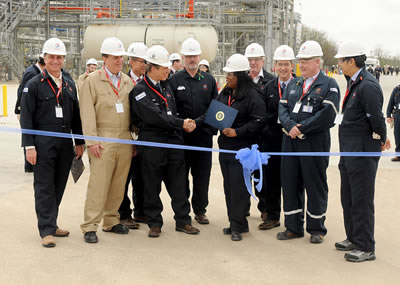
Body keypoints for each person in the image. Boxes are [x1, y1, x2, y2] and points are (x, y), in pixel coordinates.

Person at [20, 38, 85, 247]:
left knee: (58, 185)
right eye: (51, 57)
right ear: (44, 58)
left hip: (65, 142)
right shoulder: (34, 85)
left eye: (59, 57)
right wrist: (29, 146)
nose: (55, 61)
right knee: (44, 186)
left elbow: (76, 116)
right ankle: (46, 230)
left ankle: (52, 222)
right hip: (43, 143)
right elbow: (26, 118)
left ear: (64, 59)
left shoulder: (69, 84)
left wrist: (79, 141)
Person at [130, 45, 200, 238]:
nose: (168, 71)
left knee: (179, 184)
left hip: (173, 141)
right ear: (152, 68)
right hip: (153, 143)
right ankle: (154, 222)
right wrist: (181, 123)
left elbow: (170, 111)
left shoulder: (166, 86)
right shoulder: (140, 91)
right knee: (151, 185)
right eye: (164, 68)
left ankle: (183, 221)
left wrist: (180, 124)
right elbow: (155, 116)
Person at [277, 40, 340, 244]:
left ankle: (316, 228)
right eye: (300, 61)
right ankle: (293, 227)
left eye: (305, 61)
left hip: (313, 143)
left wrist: (301, 128)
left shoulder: (329, 85)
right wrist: (290, 127)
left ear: (317, 62)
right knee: (290, 182)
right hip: (290, 142)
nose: (301, 65)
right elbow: (282, 109)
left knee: (315, 184)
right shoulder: (294, 84)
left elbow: (327, 114)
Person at [335, 41, 390, 262]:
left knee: (361, 199)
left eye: (341, 60)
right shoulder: (354, 81)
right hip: (349, 152)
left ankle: (366, 246)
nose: (338, 64)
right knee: (347, 197)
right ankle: (353, 237)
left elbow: (376, 118)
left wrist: (381, 139)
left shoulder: (367, 85)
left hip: (362, 152)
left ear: (352, 61)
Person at [79, 37, 135, 243]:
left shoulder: (128, 81)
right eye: (115, 57)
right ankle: (90, 225)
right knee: (98, 184)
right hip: (102, 138)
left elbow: (133, 114)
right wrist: (91, 141)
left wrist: (134, 139)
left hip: (125, 139)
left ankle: (111, 220)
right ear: (104, 58)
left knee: (118, 184)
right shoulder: (92, 80)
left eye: (121, 57)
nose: (119, 61)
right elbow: (86, 113)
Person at [169, 38, 218, 224]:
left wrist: (198, 123)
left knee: (202, 176)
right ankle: (183, 213)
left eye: (194, 55)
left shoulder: (209, 80)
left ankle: (200, 210)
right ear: (182, 58)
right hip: (181, 138)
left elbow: (215, 108)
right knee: (181, 178)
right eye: (188, 56)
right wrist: (182, 124)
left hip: (202, 138)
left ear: (200, 57)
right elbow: (170, 108)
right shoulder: (174, 81)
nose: (192, 59)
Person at [218, 54, 265, 241]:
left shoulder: (253, 95)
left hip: (242, 150)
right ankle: (236, 223)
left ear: (241, 76)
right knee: (229, 187)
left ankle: (238, 225)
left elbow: (259, 121)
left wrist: (238, 132)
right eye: (226, 74)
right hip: (225, 148)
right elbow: (216, 111)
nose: (227, 77)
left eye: (230, 74)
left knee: (239, 188)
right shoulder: (226, 92)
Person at [258, 45, 296, 231]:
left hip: (292, 140)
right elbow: (262, 113)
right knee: (271, 181)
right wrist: (266, 131)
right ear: (274, 66)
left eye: (286, 64)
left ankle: (294, 220)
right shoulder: (268, 87)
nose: (283, 68)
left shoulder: (300, 86)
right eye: (280, 64)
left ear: (292, 66)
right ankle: (272, 216)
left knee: (292, 181)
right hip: (271, 140)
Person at [118, 42, 148, 229]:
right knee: (123, 178)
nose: (144, 65)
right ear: (131, 61)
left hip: (143, 136)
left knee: (142, 177)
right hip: (125, 136)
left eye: (146, 61)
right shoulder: (123, 81)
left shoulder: (149, 82)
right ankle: (123, 213)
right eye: (141, 61)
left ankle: (141, 211)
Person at [15, 53, 46, 173]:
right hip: (26, 110)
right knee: (29, 136)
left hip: (31, 110)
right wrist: (20, 109)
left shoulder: (35, 71)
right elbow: (23, 93)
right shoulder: (32, 73)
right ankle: (29, 166)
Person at [387, 85, 400, 161]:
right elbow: (391, 102)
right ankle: (398, 154)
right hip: (398, 114)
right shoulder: (396, 89)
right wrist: (388, 115)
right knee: (397, 134)